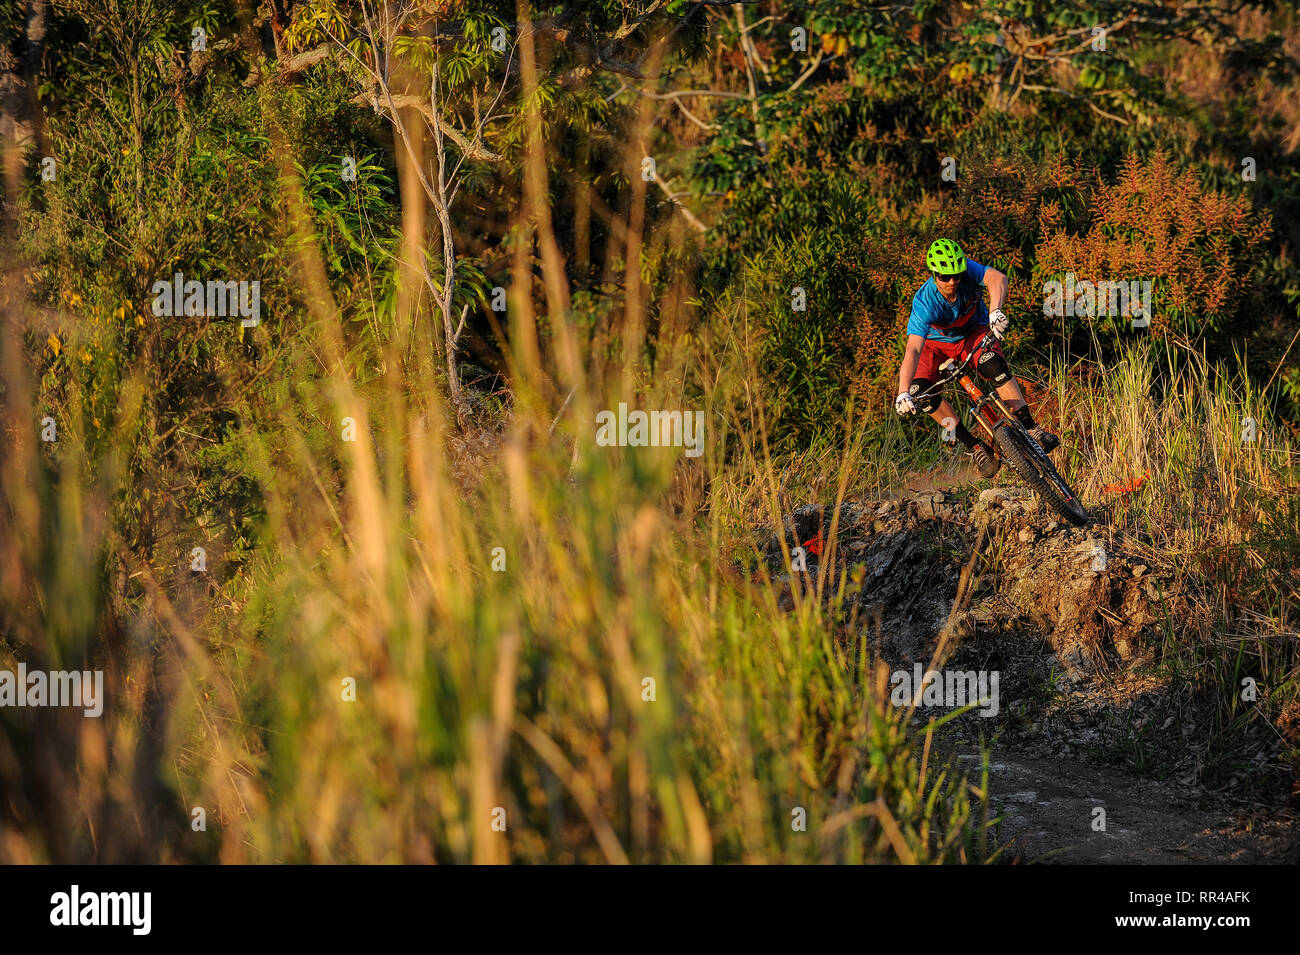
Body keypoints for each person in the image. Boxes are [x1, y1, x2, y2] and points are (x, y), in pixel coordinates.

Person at [894, 238, 1058, 478]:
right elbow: (913, 351)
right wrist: (902, 391)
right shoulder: (924, 302)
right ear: (934, 274)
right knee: (920, 392)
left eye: (957, 276)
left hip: (972, 333)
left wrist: (995, 311)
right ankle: (974, 447)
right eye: (945, 277)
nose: (952, 282)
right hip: (935, 346)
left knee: (992, 363)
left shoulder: (968, 271)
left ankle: (1031, 428)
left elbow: (998, 278)